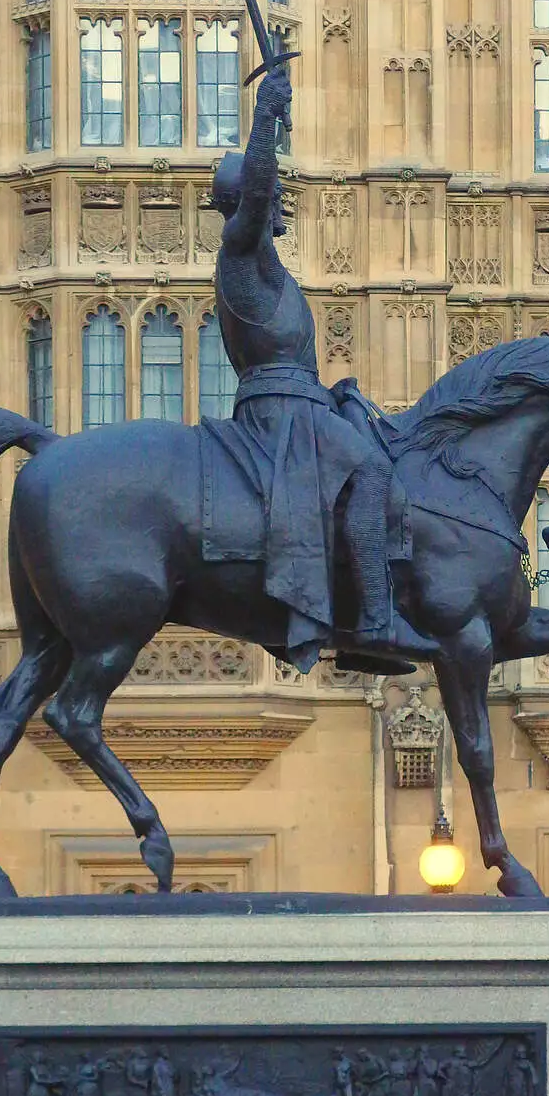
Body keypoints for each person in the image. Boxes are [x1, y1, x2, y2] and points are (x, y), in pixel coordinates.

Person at [210, 67, 438, 672]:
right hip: (278, 413)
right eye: (272, 198)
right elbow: (258, 192)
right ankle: (373, 625)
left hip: (301, 403)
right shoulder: (241, 252)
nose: (279, 202)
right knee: (370, 474)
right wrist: (265, 119)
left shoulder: (263, 267)